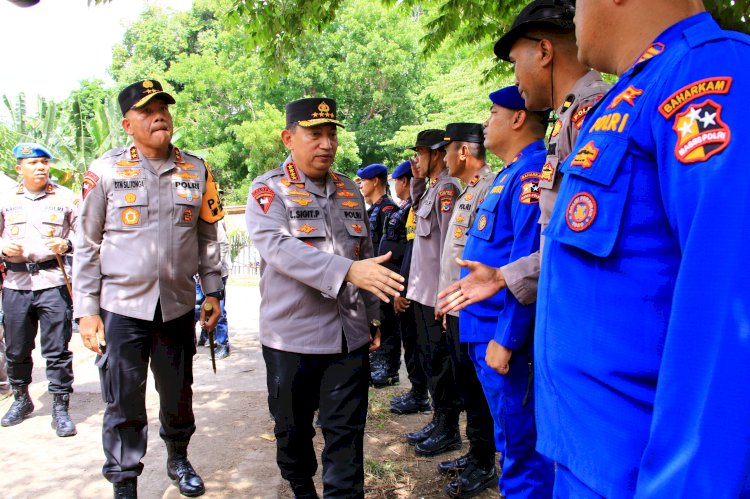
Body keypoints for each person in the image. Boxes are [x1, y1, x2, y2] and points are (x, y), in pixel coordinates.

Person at [534, 1, 750, 496]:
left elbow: (729, 317)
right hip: (588, 456)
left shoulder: (708, 70)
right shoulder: (631, 94)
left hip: (645, 472)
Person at [245, 97, 405, 499]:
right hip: (291, 338)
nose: (326, 143)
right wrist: (346, 272)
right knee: (292, 433)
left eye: (331, 134)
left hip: (346, 339)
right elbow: (278, 248)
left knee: (346, 436)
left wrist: (372, 318)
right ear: (288, 138)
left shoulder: (350, 190)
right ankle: (301, 489)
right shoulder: (269, 190)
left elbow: (365, 257)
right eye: (314, 134)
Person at [74, 79, 224, 498]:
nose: (159, 115)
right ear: (127, 124)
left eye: (163, 107)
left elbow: (208, 236)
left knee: (178, 395)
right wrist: (87, 309)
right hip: (121, 309)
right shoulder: (104, 172)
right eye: (146, 110)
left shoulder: (197, 169)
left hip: (176, 307)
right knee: (124, 403)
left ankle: (178, 457)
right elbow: (86, 244)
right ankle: (125, 481)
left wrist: (212, 292)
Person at [438, 0, 610, 314]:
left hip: (583, 316)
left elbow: (585, 242)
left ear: (544, 52)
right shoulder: (567, 119)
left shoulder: (594, 113)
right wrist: (504, 276)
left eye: (516, 62)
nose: (516, 78)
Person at [459, 86, 553, 497]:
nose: (486, 122)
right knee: (508, 441)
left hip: (502, 337)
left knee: (522, 449)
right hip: (483, 330)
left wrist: (506, 336)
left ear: (517, 118)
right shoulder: (509, 174)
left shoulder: (531, 175)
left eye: (493, 112)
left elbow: (524, 265)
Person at [433, 123, 497, 498]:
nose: (442, 158)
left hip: (473, 307)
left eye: (446, 151)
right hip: (456, 306)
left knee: (477, 389)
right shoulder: (469, 191)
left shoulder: (490, 188)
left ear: (463, 152)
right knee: (466, 385)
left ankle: (485, 462)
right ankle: (476, 452)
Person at [0, 142, 78, 436]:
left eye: (45, 162)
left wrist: (67, 244)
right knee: (17, 348)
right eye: (33, 163)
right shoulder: (5, 199)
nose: (41, 167)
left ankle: (60, 407)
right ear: (19, 167)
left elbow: (88, 236)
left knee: (57, 349)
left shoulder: (66, 198)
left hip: (53, 282)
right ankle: (22, 400)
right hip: (16, 284)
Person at [403, 129, 462, 458]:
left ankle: (449, 428)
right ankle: (439, 418)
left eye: (421, 153)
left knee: (440, 362)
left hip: (436, 296)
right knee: (430, 359)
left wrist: (445, 296)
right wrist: (417, 183)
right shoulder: (431, 190)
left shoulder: (448, 191)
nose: (416, 159)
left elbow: (447, 247)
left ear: (438, 154)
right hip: (423, 294)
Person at [383, 161, 430, 415]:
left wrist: (401, 291)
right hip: (403, 284)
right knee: (410, 342)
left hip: (411, 287)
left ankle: (421, 395)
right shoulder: (407, 209)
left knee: (417, 344)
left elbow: (413, 253)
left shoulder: (415, 207)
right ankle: (417, 391)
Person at [356, 163, 400, 387]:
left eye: (363, 180)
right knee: (377, 319)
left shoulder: (388, 210)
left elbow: (389, 249)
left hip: (384, 275)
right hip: (372, 276)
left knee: (388, 323)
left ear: (375, 182)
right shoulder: (373, 209)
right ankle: (380, 360)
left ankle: (390, 369)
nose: (361, 185)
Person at [196, 218, 231, 359]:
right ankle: (206, 334)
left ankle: (223, 344)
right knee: (199, 306)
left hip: (217, 273)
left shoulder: (213, 217)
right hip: (199, 274)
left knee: (218, 309)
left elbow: (222, 244)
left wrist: (215, 269)